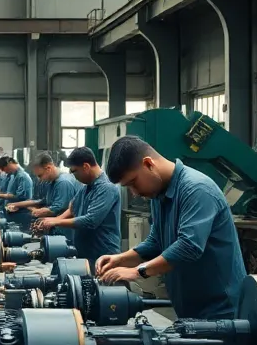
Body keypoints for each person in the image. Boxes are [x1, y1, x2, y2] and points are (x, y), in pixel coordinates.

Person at [93, 136, 247, 321]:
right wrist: (120, 259)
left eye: (134, 182)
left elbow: (189, 246)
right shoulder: (159, 195)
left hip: (221, 309)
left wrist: (137, 271)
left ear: (148, 164)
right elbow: (156, 242)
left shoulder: (196, 189)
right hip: (190, 308)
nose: (135, 193)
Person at [33, 147, 120, 269]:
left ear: (86, 167)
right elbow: (72, 208)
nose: (73, 175)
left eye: (74, 171)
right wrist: (51, 222)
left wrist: (56, 221)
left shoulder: (106, 188)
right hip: (85, 253)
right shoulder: (85, 188)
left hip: (102, 255)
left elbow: (91, 221)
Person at [9, 152, 81, 241]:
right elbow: (44, 201)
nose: (39, 179)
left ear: (48, 168)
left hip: (66, 232)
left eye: (40, 175)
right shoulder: (52, 182)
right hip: (57, 227)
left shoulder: (63, 183)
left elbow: (59, 208)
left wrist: (40, 213)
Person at [0, 156, 35, 229]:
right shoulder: (13, 176)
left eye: (3, 168)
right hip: (12, 213)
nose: (4, 171)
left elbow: (20, 197)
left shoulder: (22, 176)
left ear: (9, 164)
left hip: (21, 214)